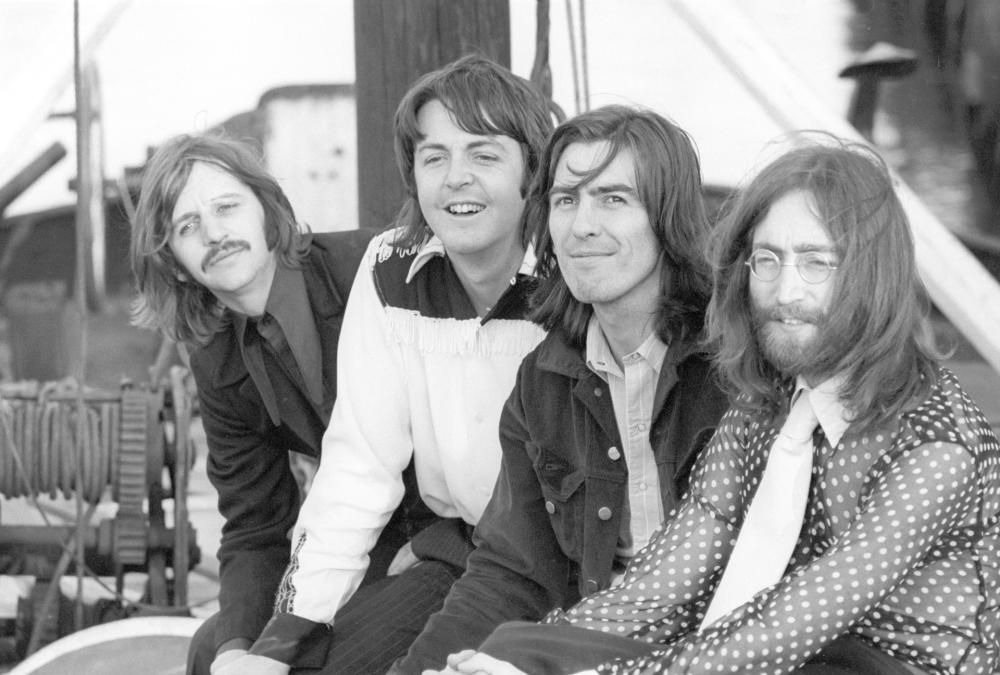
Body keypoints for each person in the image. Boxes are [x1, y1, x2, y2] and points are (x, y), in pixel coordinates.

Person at [433, 135, 1000, 675]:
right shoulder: (766, 401)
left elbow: (794, 623)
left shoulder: (935, 444)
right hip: (770, 648)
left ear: (871, 274)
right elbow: (665, 582)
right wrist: (525, 663)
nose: (786, 293)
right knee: (518, 646)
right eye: (768, 260)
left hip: (886, 661)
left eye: (817, 262)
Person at [215, 54, 555, 675]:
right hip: (465, 552)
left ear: (532, 173)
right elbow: (360, 465)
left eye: (484, 155)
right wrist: (283, 638)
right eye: (434, 157)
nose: (456, 178)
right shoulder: (391, 267)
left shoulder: (570, 275)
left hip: (563, 565)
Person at [393, 105, 730, 674]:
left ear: (667, 216)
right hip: (590, 639)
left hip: (722, 648)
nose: (582, 226)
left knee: (511, 653)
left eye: (614, 199)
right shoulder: (543, 379)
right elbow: (509, 573)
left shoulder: (731, 367)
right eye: (567, 199)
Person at [128, 133, 410, 674]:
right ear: (176, 264)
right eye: (187, 227)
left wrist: (441, 541)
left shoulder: (369, 269)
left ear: (268, 208)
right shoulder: (217, 357)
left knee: (324, 660)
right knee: (211, 648)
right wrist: (235, 650)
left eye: (226, 207)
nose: (214, 234)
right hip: (364, 541)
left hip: (455, 532)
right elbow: (256, 524)